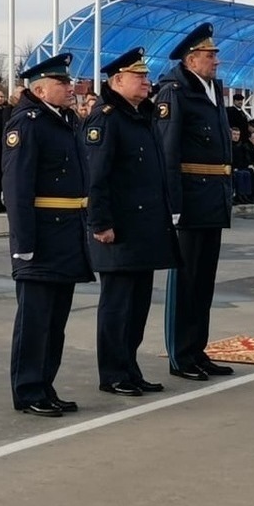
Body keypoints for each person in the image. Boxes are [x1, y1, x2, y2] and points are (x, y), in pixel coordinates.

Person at [3, 53, 94, 417]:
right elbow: (17, 189)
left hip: (67, 234)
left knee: (56, 321)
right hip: (40, 236)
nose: (69, 88)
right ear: (40, 89)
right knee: (35, 320)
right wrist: (23, 244)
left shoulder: (63, 120)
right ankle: (27, 390)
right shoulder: (27, 124)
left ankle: (46, 384)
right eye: (62, 83)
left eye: (68, 83)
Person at [84, 47, 178, 397]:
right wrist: (100, 223)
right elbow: (96, 177)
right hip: (118, 229)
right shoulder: (106, 119)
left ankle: (130, 367)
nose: (146, 82)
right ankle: (112, 372)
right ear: (117, 80)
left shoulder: (142, 116)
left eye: (147, 76)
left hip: (144, 229)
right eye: (139, 77)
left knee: (137, 305)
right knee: (117, 304)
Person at [156, 22, 235, 382]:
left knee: (204, 281)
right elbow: (169, 150)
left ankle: (197, 349)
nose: (216, 61)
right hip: (188, 197)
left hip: (211, 197)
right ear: (191, 59)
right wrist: (173, 203)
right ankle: (180, 354)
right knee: (185, 281)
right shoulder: (175, 92)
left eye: (215, 54)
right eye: (210, 55)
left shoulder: (213, 89)